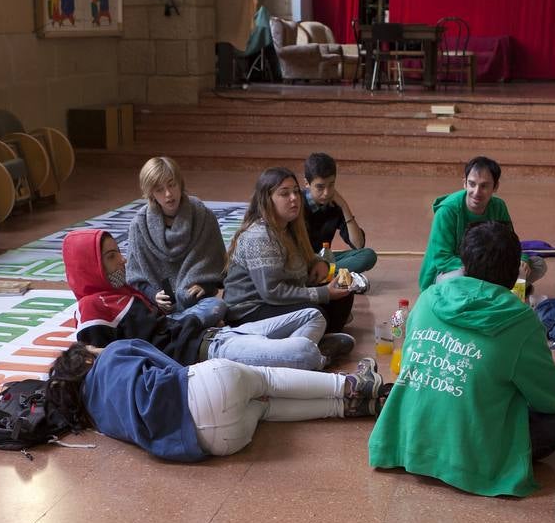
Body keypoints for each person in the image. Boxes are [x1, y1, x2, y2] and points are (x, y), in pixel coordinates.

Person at [369, 222, 555, 497]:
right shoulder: (521, 321)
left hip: (408, 441)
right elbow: (552, 400)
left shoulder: (428, 297)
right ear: (514, 275)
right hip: (473, 458)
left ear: (464, 264)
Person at [63, 228, 355, 370]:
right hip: (198, 351)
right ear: (89, 265)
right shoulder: (92, 307)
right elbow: (94, 361)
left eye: (119, 252)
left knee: (314, 316)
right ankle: (308, 357)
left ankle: (271, 357)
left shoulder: (123, 293)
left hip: (209, 332)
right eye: (112, 256)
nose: (123, 260)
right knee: (304, 352)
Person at [44, 340, 384, 459]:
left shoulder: (98, 419)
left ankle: (347, 408)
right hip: (204, 388)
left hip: (215, 442)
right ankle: (350, 385)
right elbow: (173, 367)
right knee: (268, 379)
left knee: (264, 408)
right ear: (87, 359)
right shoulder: (113, 355)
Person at [224, 167, 355, 331]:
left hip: (276, 302)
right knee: (314, 313)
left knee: (342, 296)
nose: (294, 198)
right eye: (284, 194)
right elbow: (272, 292)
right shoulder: (260, 236)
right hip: (250, 310)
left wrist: (318, 262)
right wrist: (323, 293)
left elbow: (303, 260)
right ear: (267, 199)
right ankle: (314, 341)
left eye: (296, 192)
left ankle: (322, 337)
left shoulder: (289, 226)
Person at [124, 157, 228, 323]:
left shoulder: (203, 215)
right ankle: (182, 326)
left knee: (217, 306)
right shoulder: (139, 224)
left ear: (180, 183)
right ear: (150, 193)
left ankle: (174, 327)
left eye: (172, 184)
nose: (168, 194)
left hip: (196, 303)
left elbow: (218, 266)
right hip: (159, 306)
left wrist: (204, 286)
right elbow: (135, 276)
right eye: (159, 189)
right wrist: (153, 295)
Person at [418, 156, 545, 290]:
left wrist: (522, 259)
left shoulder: (499, 206)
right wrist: (479, 270)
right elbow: (442, 258)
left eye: (484, 186)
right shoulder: (447, 211)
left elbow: (510, 243)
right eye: (472, 184)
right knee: (461, 278)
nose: (477, 192)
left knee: (537, 265)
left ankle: (486, 290)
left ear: (495, 187)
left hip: (488, 267)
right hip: (457, 270)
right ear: (464, 183)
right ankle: (493, 290)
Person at [302, 152, 375, 287]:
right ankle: (322, 276)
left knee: (368, 256)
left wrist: (344, 207)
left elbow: (358, 245)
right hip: (301, 262)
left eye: (331, 185)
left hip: (323, 260)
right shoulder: (296, 203)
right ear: (307, 183)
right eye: (320, 187)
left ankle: (320, 276)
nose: (327, 192)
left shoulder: (334, 205)